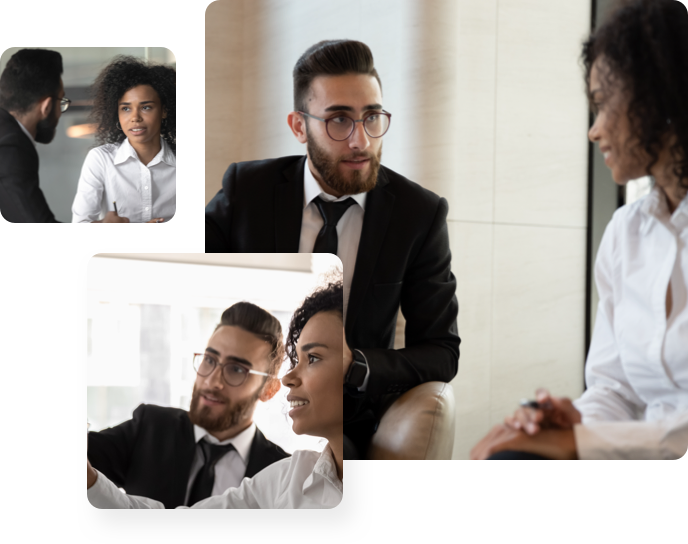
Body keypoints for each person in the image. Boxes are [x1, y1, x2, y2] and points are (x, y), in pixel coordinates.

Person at [204, 39, 460, 459]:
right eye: (339, 120)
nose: (361, 140)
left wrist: (356, 365)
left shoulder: (418, 215)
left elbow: (441, 352)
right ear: (299, 126)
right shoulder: (247, 190)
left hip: (346, 425)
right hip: (251, 409)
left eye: (372, 117)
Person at [471, 0, 688, 461]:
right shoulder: (625, 233)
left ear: (658, 95)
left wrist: (585, 442)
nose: (594, 130)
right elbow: (616, 390)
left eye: (603, 104)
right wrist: (572, 422)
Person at [87, 278, 344, 509]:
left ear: (269, 389)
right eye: (209, 360)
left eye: (235, 369)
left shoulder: (280, 474)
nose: (212, 381)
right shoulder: (151, 425)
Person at [0, 49, 175, 223]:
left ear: (164, 111)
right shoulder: (12, 148)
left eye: (146, 107)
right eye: (126, 108)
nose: (135, 117)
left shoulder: (11, 144)